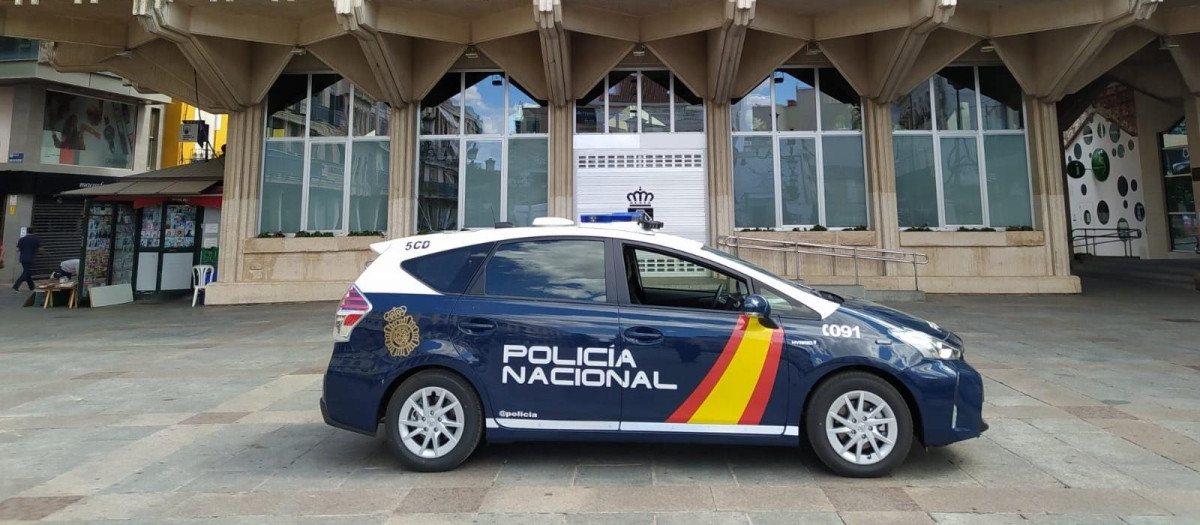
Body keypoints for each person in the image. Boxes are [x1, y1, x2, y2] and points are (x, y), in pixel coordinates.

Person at [12, 227, 43, 292]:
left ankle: (31, 287)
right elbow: (39, 249)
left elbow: (17, 249)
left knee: (27, 272)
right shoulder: (35, 239)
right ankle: (16, 286)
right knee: (25, 272)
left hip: (22, 258)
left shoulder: (22, 239)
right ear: (33, 232)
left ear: (27, 231)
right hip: (30, 258)